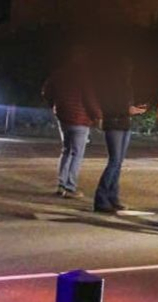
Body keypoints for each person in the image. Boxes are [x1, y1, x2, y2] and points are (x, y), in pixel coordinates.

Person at [41, 47, 101, 198]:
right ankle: (70, 187)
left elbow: (46, 91)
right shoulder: (85, 76)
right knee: (77, 153)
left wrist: (54, 105)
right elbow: (89, 98)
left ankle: (61, 184)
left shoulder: (59, 74)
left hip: (63, 116)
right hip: (80, 118)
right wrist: (97, 116)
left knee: (66, 150)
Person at [92, 56, 146, 214]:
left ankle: (112, 197)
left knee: (118, 162)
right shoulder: (110, 85)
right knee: (115, 161)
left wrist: (132, 109)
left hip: (123, 123)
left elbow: (122, 105)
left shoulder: (126, 85)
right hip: (115, 124)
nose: (129, 72)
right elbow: (109, 106)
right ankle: (101, 198)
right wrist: (127, 110)